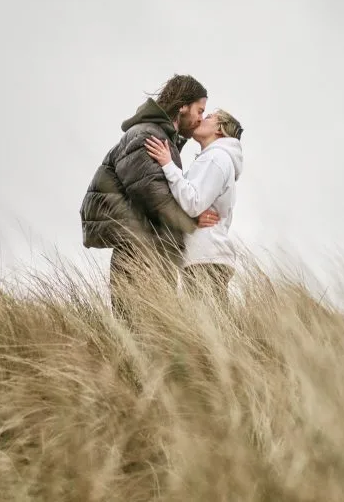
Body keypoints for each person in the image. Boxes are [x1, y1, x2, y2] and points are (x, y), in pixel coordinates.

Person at [80, 74, 219, 319]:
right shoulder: (148, 135)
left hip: (150, 252)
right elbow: (153, 195)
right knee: (141, 336)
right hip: (140, 254)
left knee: (153, 340)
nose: (200, 118)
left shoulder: (162, 139)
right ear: (183, 106)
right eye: (200, 110)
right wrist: (192, 222)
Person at [143, 109, 244, 311]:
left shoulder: (216, 157)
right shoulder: (212, 158)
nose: (201, 118)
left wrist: (167, 163)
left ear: (220, 129)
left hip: (205, 259)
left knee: (210, 330)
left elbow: (192, 202)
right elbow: (191, 203)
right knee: (209, 329)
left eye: (208, 117)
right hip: (203, 257)